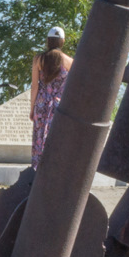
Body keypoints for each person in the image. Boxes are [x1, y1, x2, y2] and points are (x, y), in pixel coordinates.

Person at [30, 26, 73, 170]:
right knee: (57, 138)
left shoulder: (38, 59)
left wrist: (32, 108)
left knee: (39, 138)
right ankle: (56, 168)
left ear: (48, 41)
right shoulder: (69, 61)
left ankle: (39, 169)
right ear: (63, 41)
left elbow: (34, 86)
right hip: (59, 106)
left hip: (41, 105)